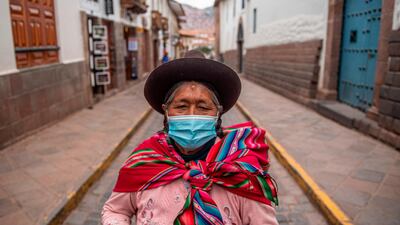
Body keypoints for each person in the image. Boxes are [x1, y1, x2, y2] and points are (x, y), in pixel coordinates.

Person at [101, 50, 279, 225]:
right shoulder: (144, 161)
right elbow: (115, 210)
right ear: (166, 111)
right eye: (181, 106)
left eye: (203, 107)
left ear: (218, 113)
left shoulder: (241, 169)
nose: (192, 115)